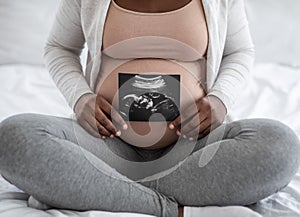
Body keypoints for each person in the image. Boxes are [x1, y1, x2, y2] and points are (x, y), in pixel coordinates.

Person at [0, 0, 300, 217]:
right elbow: (59, 48)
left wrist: (220, 100)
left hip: (196, 148)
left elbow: (240, 51)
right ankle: (174, 209)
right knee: (14, 136)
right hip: (105, 145)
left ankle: (99, 189)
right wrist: (80, 99)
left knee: (281, 145)